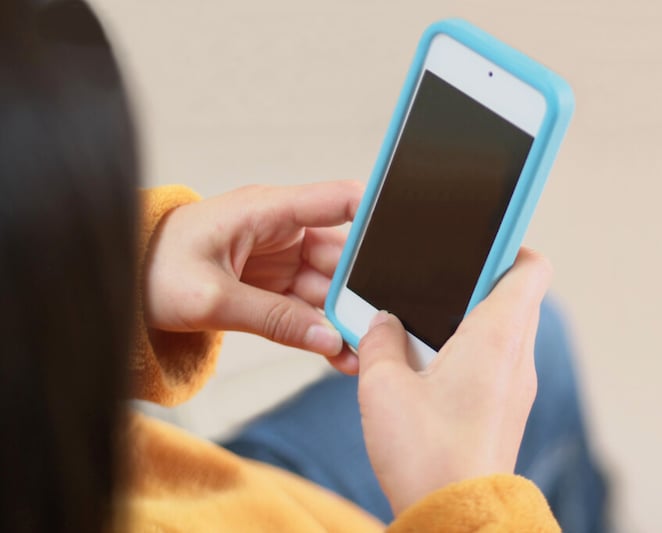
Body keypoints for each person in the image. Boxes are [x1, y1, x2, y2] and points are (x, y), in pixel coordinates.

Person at [0, 1, 606, 531]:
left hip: (179, 489)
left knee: (538, 338)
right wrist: (467, 502)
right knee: (532, 355)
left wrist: (111, 273)